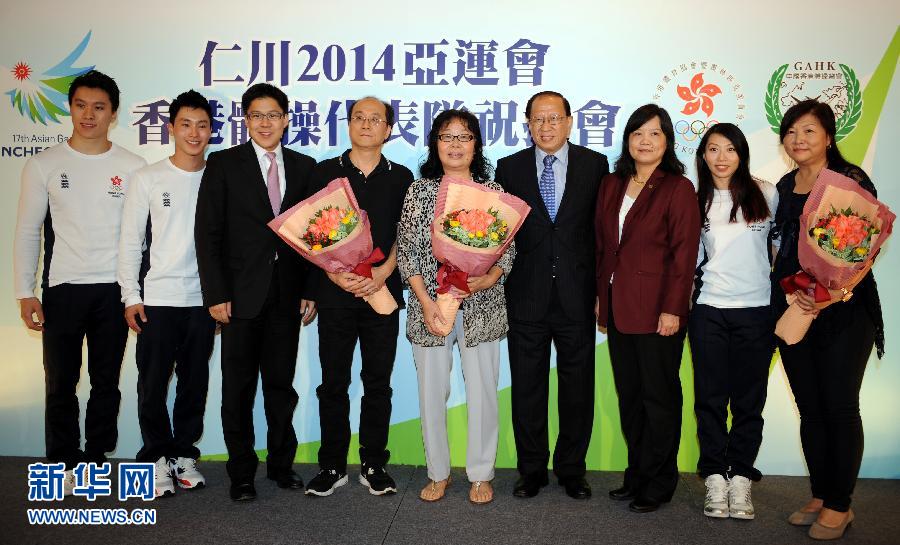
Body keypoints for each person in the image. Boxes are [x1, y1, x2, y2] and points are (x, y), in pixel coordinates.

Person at [13, 70, 146, 494]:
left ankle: (95, 460)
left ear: (113, 114)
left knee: (106, 382)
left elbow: (142, 238)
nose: (89, 115)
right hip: (63, 288)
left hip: (113, 291)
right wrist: (24, 291)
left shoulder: (133, 167)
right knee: (61, 382)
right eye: (81, 105)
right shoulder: (44, 164)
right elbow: (28, 231)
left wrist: (135, 292)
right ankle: (63, 462)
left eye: (99, 107)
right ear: (70, 108)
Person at [195, 83, 317, 502]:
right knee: (238, 389)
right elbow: (208, 233)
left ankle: (281, 466)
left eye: (273, 115)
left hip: (287, 295)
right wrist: (216, 294)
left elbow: (314, 236)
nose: (266, 123)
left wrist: (310, 288)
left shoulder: (304, 167)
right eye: (257, 115)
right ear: (246, 120)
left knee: (281, 387)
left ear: (286, 119)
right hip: (239, 296)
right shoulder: (224, 164)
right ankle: (242, 473)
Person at [771, 99, 884, 540]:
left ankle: (841, 504)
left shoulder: (849, 180)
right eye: (791, 132)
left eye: (808, 131)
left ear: (829, 137)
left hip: (844, 311)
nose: (798, 139)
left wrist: (836, 292)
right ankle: (821, 493)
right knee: (810, 407)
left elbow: (863, 248)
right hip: (796, 308)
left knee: (839, 405)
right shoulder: (785, 185)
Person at [495, 91, 608, 500]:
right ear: (527, 124)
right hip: (526, 294)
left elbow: (602, 233)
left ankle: (572, 470)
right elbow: (500, 232)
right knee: (528, 388)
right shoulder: (509, 168)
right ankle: (531, 470)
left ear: (569, 121)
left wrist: (602, 291)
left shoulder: (595, 165)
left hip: (578, 294)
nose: (546, 126)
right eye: (538, 119)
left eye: (554, 118)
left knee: (577, 388)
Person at [397, 109, 513, 505]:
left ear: (476, 144)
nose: (455, 144)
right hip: (430, 307)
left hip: (481, 306)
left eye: (464, 136)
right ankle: (438, 472)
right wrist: (426, 301)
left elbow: (507, 249)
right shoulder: (419, 191)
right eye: (447, 136)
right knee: (432, 393)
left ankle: (481, 474)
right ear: (435, 144)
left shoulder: (492, 190)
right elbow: (408, 252)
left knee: (483, 393)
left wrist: (490, 276)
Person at [304, 97, 413, 497]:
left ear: (388, 129)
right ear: (349, 125)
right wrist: (333, 274)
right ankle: (332, 465)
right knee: (333, 383)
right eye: (359, 118)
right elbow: (309, 233)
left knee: (377, 383)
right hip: (336, 295)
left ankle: (373, 463)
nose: (366, 125)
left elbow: (407, 234)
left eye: (375, 119)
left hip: (382, 292)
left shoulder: (402, 177)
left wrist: (384, 271)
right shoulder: (324, 173)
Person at [594, 104, 700, 513]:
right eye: (638, 133)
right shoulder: (612, 183)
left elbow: (683, 255)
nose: (645, 141)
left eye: (655, 133)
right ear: (627, 139)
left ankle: (660, 481)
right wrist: (600, 296)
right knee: (631, 398)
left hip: (658, 313)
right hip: (619, 308)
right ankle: (637, 474)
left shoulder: (678, 188)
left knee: (659, 399)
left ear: (667, 141)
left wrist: (673, 309)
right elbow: (603, 247)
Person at [117, 90, 216, 498]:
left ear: (211, 131)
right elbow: (130, 241)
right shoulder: (149, 177)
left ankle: (183, 455)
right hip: (157, 299)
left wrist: (221, 297)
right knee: (153, 383)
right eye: (186, 124)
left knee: (194, 383)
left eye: (202, 125)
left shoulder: (219, 177)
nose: (194, 133)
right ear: (171, 127)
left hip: (203, 301)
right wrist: (130, 295)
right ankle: (155, 458)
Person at [689, 123, 778, 520]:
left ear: (742, 154)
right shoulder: (695, 200)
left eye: (730, 149)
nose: (721, 157)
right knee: (709, 399)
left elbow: (779, 249)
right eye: (713, 149)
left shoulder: (767, 193)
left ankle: (740, 476)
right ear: (703, 156)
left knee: (749, 400)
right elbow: (690, 259)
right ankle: (714, 476)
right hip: (709, 309)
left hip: (756, 310)